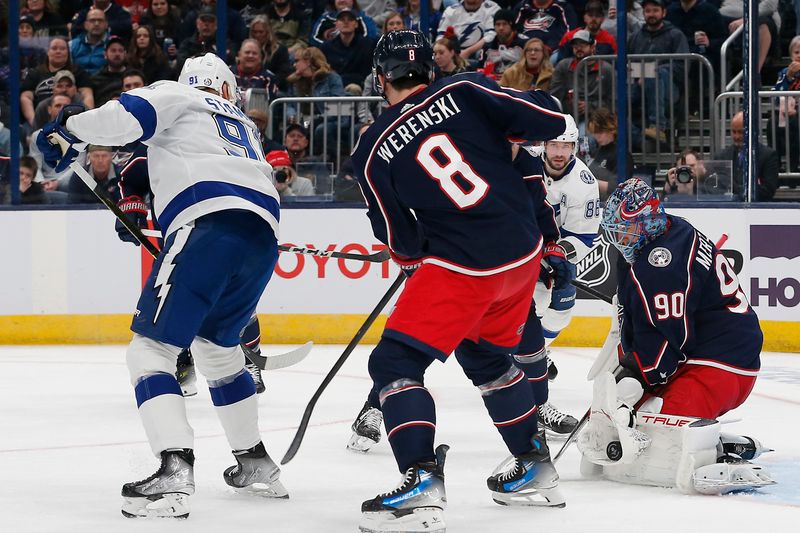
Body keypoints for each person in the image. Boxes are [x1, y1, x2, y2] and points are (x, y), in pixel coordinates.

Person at [36, 52, 285, 518]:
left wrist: (71, 128)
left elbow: (126, 117)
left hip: (205, 225)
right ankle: (255, 463)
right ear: (229, 89)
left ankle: (174, 470)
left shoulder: (179, 93)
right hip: (262, 239)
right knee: (218, 350)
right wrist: (78, 139)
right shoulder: (245, 127)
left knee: (149, 351)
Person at [351, 30, 570, 532]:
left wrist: (420, 254)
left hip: (464, 265)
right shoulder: (466, 90)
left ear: (380, 78)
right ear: (430, 69)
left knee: (394, 362)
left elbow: (399, 239)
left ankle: (420, 483)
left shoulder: (370, 149)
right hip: (522, 254)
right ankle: (534, 465)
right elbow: (550, 122)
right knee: (485, 355)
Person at [577, 178, 772, 494]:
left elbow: (671, 339)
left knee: (659, 428)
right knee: (633, 414)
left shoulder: (661, 265)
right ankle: (717, 438)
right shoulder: (670, 230)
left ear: (648, 221)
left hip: (722, 365)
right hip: (706, 353)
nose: (619, 238)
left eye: (626, 229)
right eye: (617, 229)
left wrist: (638, 374)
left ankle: (715, 449)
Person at [511, 117, 600, 437]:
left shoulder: (583, 182)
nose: (559, 152)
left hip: (556, 254)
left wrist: (555, 256)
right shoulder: (524, 164)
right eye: (554, 144)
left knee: (560, 314)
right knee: (536, 304)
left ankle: (537, 354)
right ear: (543, 145)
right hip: (518, 250)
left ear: (575, 148)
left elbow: (583, 236)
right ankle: (526, 365)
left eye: (566, 145)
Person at [627, 0, 689, 144]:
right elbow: (626, 64)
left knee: (655, 72)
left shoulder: (676, 35)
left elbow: (682, 66)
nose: (651, 14)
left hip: (668, 89)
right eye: (648, 11)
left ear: (664, 13)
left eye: (655, 10)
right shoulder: (635, 37)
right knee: (616, 97)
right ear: (643, 13)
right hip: (638, 85)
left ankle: (658, 126)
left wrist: (650, 73)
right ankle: (640, 141)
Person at [21, 36, 95, 124]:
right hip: (41, 117)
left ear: (68, 52)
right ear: (48, 52)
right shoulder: (35, 73)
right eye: (54, 48)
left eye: (62, 48)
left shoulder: (78, 72)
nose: (58, 51)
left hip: (72, 119)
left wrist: (88, 119)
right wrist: (34, 121)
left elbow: (87, 95)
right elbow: (26, 97)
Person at [549, 30, 613, 124]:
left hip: (598, 118)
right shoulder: (563, 66)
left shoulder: (606, 69)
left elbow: (613, 100)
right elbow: (555, 95)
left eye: (583, 45)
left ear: (592, 47)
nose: (578, 48)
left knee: (584, 136)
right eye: (575, 45)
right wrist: (570, 106)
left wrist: (590, 106)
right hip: (569, 117)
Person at [715, 111, 779, 201]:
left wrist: (735, 188)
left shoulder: (768, 156)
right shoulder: (721, 156)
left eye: (741, 132)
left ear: (752, 131)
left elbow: (768, 191)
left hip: (756, 209)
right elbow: (716, 188)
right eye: (734, 132)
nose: (736, 136)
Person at [320, 9, 378, 88]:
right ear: (336, 24)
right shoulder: (326, 47)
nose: (346, 22)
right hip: (333, 87)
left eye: (350, 19)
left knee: (353, 88)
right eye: (342, 20)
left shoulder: (367, 45)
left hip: (360, 87)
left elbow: (366, 74)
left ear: (356, 24)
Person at [584, 107, 633, 200]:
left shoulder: (622, 155)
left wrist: (587, 181)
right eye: (594, 132)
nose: (597, 136)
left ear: (611, 128)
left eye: (600, 132)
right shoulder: (596, 152)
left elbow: (619, 188)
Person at [770, 35, 800, 174]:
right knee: (772, 122)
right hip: (784, 113)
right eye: (797, 52)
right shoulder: (784, 73)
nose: (799, 56)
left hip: (797, 115)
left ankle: (793, 169)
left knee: (795, 122)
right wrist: (789, 76)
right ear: (790, 55)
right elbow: (776, 95)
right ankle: (775, 166)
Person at [437, 0, 501, 64]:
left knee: (485, 52)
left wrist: (467, 52)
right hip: (454, 52)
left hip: (479, 52)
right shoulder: (451, 10)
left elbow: (491, 35)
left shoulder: (492, 9)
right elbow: (440, 36)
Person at [248, 15, 292, 90]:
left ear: (268, 32)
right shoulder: (247, 51)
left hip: (274, 89)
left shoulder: (280, 50)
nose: (257, 35)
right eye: (255, 32)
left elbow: (282, 75)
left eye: (261, 32)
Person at [482, 8, 527, 76]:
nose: (501, 28)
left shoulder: (524, 43)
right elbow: (480, 69)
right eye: (498, 24)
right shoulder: (488, 46)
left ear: (511, 25)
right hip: (493, 82)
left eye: (504, 24)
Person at [69, 8, 110, 76]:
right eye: (92, 20)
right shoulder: (72, 45)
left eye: (100, 20)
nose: (96, 24)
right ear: (85, 25)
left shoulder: (113, 44)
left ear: (106, 24)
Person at [91, 35, 130, 107]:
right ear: (105, 54)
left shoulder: (134, 76)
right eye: (113, 50)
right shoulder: (96, 80)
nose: (117, 54)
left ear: (125, 54)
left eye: (120, 51)